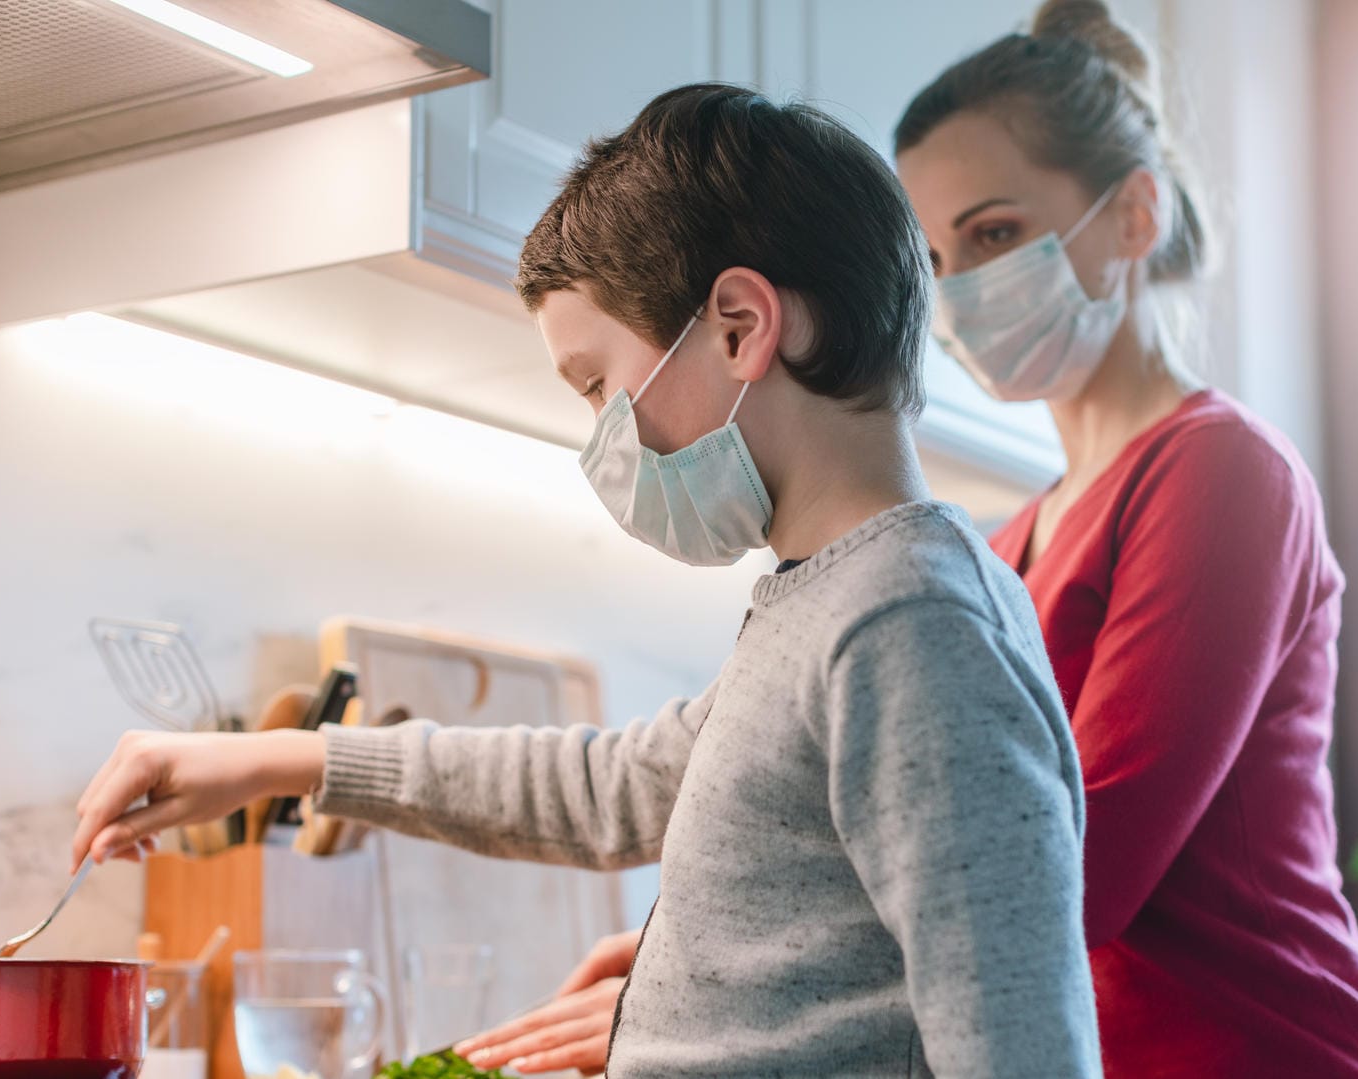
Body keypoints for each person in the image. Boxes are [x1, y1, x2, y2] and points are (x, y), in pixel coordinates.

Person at [456, 2, 1358, 1076]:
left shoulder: (1218, 470)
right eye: (935, 252)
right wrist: (706, 956)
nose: (962, 285)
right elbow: (916, 833)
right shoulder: (1000, 544)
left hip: (1273, 1050)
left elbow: (1058, 863)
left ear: (1133, 217)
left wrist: (725, 981)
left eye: (997, 233)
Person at [69, 83, 1102, 1078]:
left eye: (599, 384)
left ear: (741, 326)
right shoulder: (831, 602)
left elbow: (1020, 1048)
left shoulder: (907, 624)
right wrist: (282, 760)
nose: (603, 433)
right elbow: (610, 787)